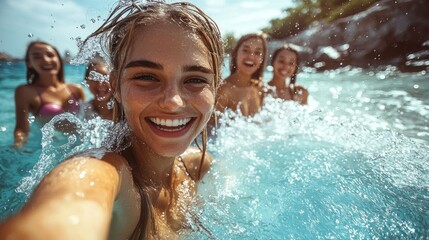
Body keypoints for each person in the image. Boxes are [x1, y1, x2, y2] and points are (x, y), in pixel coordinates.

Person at [0, 1, 223, 239]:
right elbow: (72, 198)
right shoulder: (107, 172)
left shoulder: (197, 166)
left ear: (216, 88)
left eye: (196, 79)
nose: (173, 102)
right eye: (147, 76)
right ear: (115, 86)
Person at [13, 41, 86, 147]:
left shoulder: (76, 89)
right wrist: (18, 147)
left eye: (50, 55)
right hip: (53, 148)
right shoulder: (25, 92)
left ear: (58, 59)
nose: (46, 60)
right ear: (29, 63)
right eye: (37, 57)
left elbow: (89, 117)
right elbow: (21, 129)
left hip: (82, 143)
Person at [216, 33, 267, 117]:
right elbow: (210, 129)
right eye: (245, 50)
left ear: (262, 58)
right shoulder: (223, 90)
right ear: (235, 53)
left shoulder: (259, 87)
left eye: (257, 52)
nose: (251, 56)